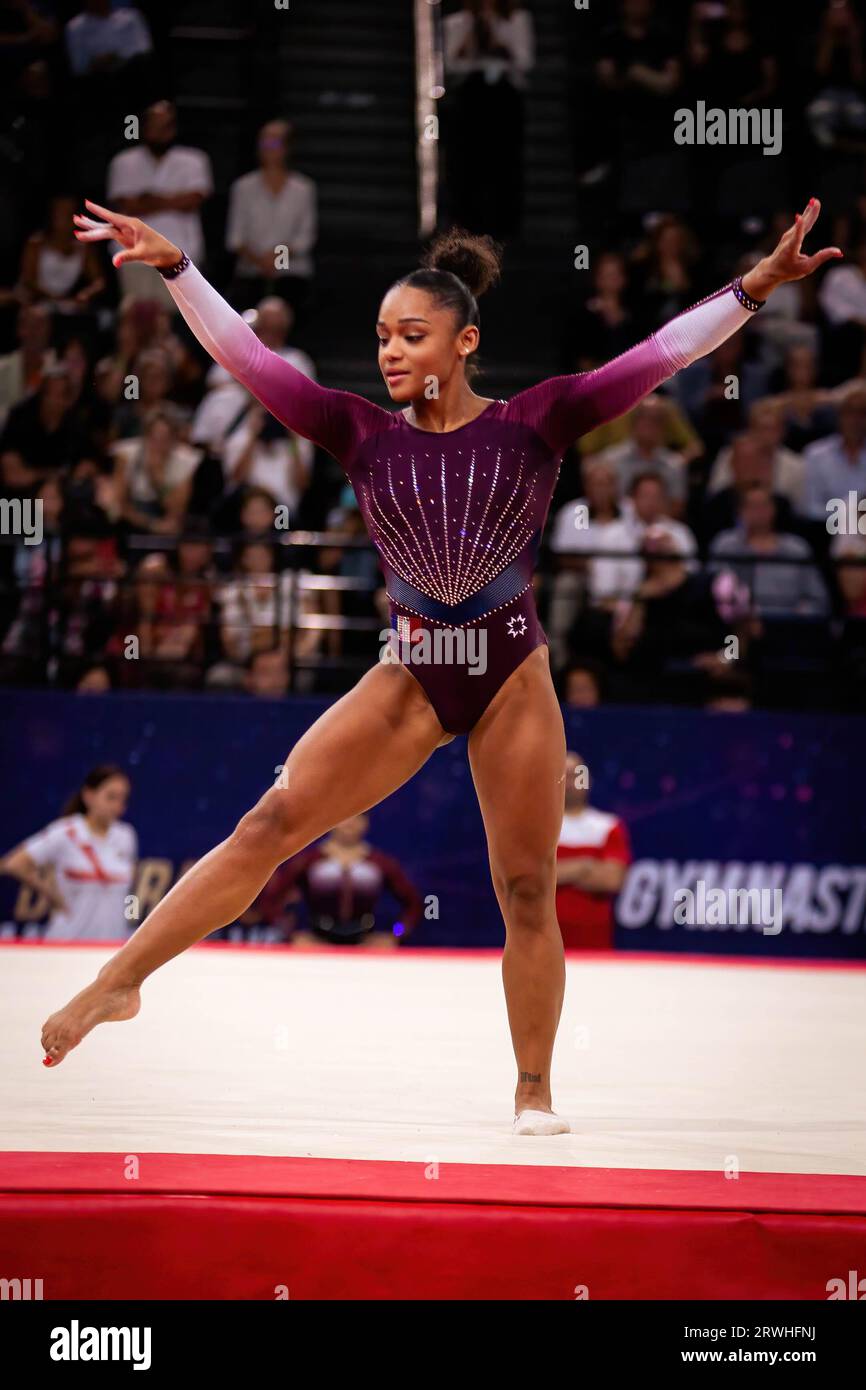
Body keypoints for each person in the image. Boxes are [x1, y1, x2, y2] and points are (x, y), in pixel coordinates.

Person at [41, 194, 839, 1139]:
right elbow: (245, 360)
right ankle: (116, 982)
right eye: (382, 337)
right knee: (270, 821)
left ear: (464, 343)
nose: (389, 354)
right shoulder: (358, 432)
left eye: (412, 336)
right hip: (413, 675)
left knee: (528, 888)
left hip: (510, 678)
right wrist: (179, 269)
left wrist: (754, 288)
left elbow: (662, 353)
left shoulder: (538, 421)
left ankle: (533, 1089)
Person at [0, 765, 135, 941]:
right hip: (69, 942)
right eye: (111, 797)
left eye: (122, 799)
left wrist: (131, 922)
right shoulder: (66, 832)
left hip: (111, 946)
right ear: (89, 796)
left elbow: (130, 893)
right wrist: (52, 896)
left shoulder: (126, 836)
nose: (117, 806)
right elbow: (13, 864)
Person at [248, 813, 423, 948]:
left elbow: (413, 905)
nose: (349, 823)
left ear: (366, 823)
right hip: (317, 944)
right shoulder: (308, 861)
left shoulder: (380, 864)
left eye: (357, 817)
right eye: (344, 817)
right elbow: (270, 902)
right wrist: (292, 935)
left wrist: (394, 935)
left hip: (364, 946)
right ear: (332, 820)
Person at [225, 120, 317, 320]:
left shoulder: (303, 189)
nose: (268, 148)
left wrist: (276, 259)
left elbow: (304, 239)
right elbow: (235, 238)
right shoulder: (243, 187)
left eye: (274, 143)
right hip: (251, 272)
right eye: (264, 143)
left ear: (287, 148)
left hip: (290, 273)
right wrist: (261, 262)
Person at [555, 751, 631, 951]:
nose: (571, 782)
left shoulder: (608, 826)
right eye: (564, 775)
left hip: (593, 941)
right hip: (546, 938)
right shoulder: (538, 826)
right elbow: (532, 877)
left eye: (576, 775)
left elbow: (612, 880)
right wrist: (585, 867)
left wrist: (559, 871)